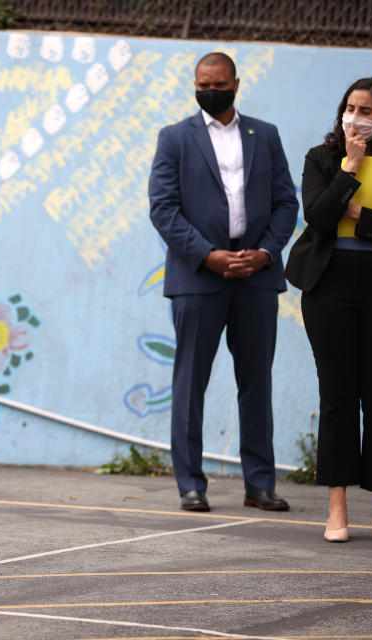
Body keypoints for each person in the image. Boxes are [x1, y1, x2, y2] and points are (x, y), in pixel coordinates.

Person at [148, 53, 298, 512]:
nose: (210, 90)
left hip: (256, 276)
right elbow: (163, 208)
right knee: (190, 383)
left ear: (235, 83)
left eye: (218, 83)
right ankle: (191, 484)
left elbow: (286, 203)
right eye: (202, 83)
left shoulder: (265, 135)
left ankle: (260, 484)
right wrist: (207, 255)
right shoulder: (175, 138)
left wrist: (265, 253)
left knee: (256, 382)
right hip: (198, 278)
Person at [284, 77, 372, 543]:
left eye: (366, 110)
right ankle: (337, 507)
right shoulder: (320, 157)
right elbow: (319, 217)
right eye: (350, 107)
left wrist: (362, 215)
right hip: (329, 289)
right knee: (338, 395)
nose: (355, 117)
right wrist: (350, 170)